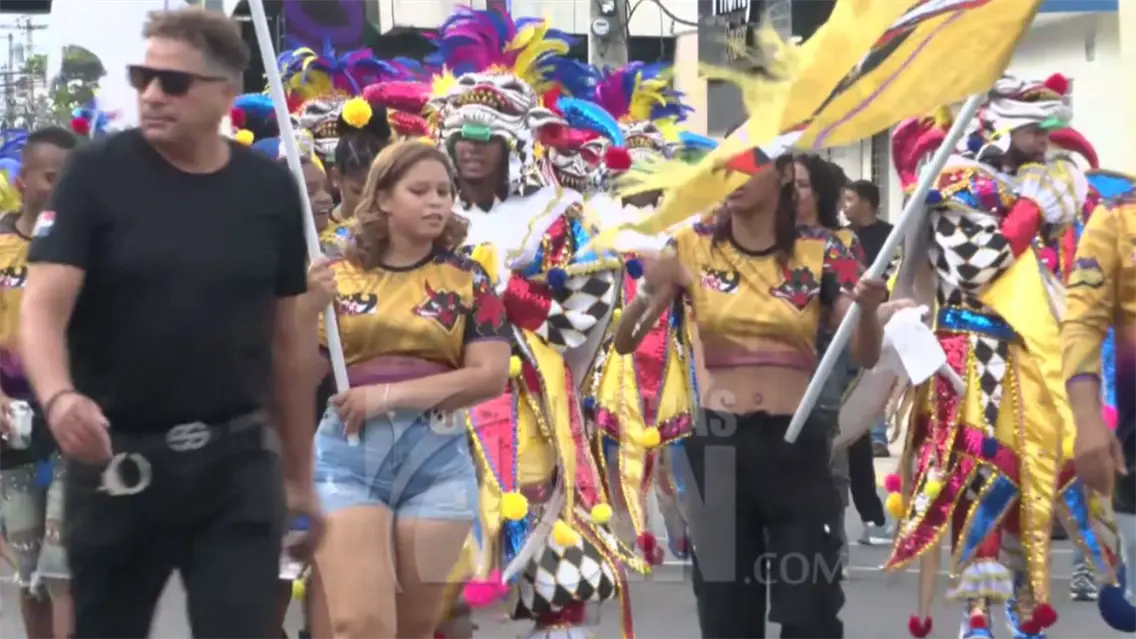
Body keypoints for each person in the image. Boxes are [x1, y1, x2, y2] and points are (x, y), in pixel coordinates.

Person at [18, 9, 322, 639]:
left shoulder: (268, 191)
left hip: (236, 467)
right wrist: (59, 397)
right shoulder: (95, 176)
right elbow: (41, 310)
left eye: (173, 82)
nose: (152, 94)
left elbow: (290, 344)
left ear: (225, 93)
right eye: (142, 77)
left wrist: (299, 476)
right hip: (118, 464)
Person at [857, 73, 1107, 638]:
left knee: (1036, 474)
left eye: (1054, 129)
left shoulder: (1049, 182)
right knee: (975, 475)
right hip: (965, 357)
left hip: (1033, 356)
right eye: (1037, 128)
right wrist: (1031, 210)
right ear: (1004, 123)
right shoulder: (957, 182)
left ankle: (1025, 606)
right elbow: (975, 267)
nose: (1047, 139)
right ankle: (977, 614)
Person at [613, 151, 892, 639]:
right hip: (719, 447)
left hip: (797, 444)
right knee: (726, 614)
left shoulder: (823, 249)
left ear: (782, 175)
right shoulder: (691, 245)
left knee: (811, 610)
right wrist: (643, 292)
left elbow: (865, 354)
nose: (731, 179)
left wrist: (867, 311)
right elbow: (625, 342)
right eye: (722, 168)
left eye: (746, 168)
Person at [427, 9, 638, 639]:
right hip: (437, 409)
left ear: (515, 141)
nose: (469, 144)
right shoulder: (424, 207)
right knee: (436, 574)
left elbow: (584, 319)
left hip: (534, 408)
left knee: (558, 573)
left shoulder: (561, 214)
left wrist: (503, 292)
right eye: (459, 132)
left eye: (484, 134)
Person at [302, 140, 509, 639]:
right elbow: (294, 366)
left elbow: (488, 376)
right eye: (420, 190)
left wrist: (388, 396)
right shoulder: (333, 273)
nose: (437, 201)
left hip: (436, 462)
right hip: (347, 461)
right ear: (384, 198)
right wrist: (303, 306)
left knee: (412, 628)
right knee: (360, 624)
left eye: (444, 190)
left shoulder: (469, 279)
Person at [0, 126, 78, 639]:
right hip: (14, 425)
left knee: (62, 570)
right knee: (29, 576)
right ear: (23, 180)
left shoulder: (90, 248)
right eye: (53, 177)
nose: (63, 188)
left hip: (73, 421)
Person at [842, 179, 894, 458]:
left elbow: (900, 266)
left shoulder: (892, 234)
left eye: (850, 199)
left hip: (885, 309)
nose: (844, 206)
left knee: (877, 370)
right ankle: (859, 432)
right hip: (851, 312)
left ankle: (878, 435)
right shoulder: (842, 237)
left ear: (867, 202)